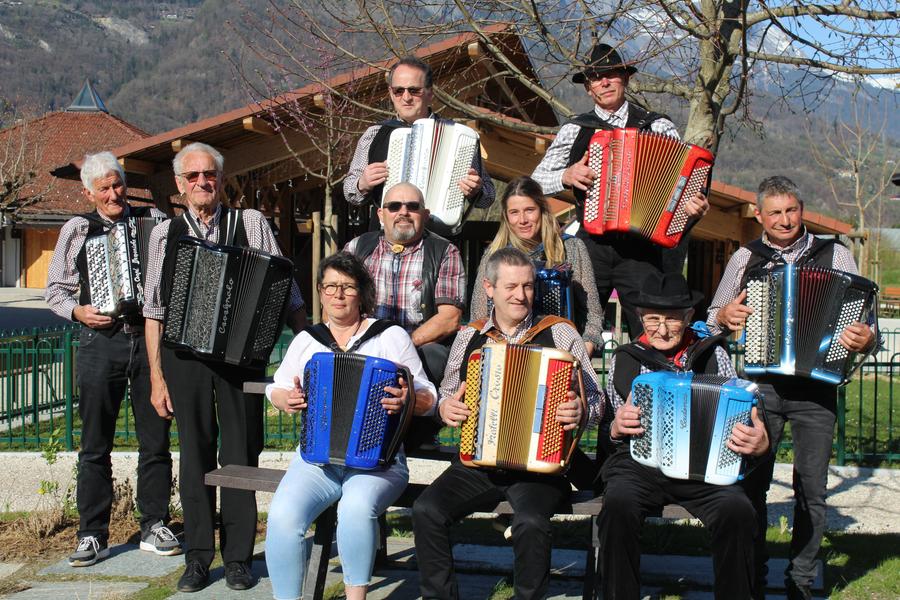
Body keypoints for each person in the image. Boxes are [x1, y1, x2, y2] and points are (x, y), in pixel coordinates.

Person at [142, 142, 307, 593]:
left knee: (241, 454)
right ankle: (198, 558)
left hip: (241, 358)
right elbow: (154, 310)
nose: (201, 182)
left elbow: (285, 282)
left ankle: (238, 558)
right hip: (184, 359)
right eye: (192, 176)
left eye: (208, 175)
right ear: (180, 185)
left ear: (220, 179)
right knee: (194, 454)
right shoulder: (164, 234)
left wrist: (307, 339)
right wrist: (157, 378)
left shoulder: (250, 222)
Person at [706, 175, 876, 600]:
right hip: (760, 388)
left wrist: (866, 338)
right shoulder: (746, 258)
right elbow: (712, 319)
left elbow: (867, 324)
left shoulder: (834, 254)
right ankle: (754, 575)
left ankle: (800, 582)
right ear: (760, 215)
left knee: (811, 491)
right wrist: (725, 314)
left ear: (801, 209)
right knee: (751, 485)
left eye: (791, 210)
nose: (784, 220)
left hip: (817, 389)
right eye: (775, 212)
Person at [412, 247, 602, 600]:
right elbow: (447, 395)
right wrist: (446, 410)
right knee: (426, 511)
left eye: (528, 287)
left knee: (530, 523)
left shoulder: (560, 334)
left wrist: (582, 412)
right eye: (511, 287)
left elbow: (596, 398)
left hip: (539, 465)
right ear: (489, 288)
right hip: (477, 460)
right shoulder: (469, 337)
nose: (521, 295)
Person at [264, 252, 436, 600]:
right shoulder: (308, 340)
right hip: (317, 461)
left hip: (379, 462)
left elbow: (429, 396)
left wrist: (408, 401)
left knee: (355, 507)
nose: (338, 295)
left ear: (362, 293)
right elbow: (277, 387)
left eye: (347, 287)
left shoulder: (390, 336)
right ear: (320, 291)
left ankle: (356, 596)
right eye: (330, 287)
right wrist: (286, 399)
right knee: (282, 517)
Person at [598, 271, 770, 600]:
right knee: (617, 506)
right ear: (639, 317)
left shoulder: (712, 354)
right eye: (653, 319)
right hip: (639, 467)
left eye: (673, 320)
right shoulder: (625, 359)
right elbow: (608, 429)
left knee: (738, 511)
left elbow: (741, 411)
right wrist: (615, 428)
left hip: (703, 470)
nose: (662, 329)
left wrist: (758, 440)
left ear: (689, 317)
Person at [45, 151, 180, 567]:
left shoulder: (155, 221)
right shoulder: (77, 229)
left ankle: (154, 523)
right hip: (99, 344)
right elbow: (55, 290)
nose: (112, 193)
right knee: (94, 443)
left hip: (149, 339)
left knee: (155, 439)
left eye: (117, 183)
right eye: (102, 187)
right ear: (88, 191)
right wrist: (79, 311)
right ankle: (92, 534)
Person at [531, 42, 709, 335]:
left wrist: (692, 206)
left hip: (642, 248)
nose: (605, 82)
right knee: (577, 325)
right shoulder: (576, 129)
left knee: (650, 328)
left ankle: (645, 381)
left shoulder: (657, 126)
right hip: (591, 245)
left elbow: (686, 180)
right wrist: (566, 175)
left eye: (611, 74)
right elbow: (535, 181)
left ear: (625, 79)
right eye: (596, 78)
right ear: (589, 89)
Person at [345, 182, 465, 418]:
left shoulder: (444, 252)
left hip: (417, 351)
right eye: (394, 206)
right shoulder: (357, 248)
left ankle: (420, 424)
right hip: (362, 348)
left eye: (412, 206)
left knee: (432, 355)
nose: (403, 212)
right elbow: (336, 303)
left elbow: (449, 318)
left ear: (425, 214)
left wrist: (401, 344)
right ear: (381, 214)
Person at [343, 55, 495, 230]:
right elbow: (349, 191)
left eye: (414, 90)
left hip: (436, 237)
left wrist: (476, 190)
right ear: (391, 93)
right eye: (398, 91)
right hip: (384, 237)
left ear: (430, 94)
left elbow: (489, 196)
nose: (406, 97)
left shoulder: (459, 137)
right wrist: (362, 183)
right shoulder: (373, 134)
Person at [470, 175, 604, 356]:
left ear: (542, 210)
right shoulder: (494, 255)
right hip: (505, 354)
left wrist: (580, 353)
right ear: (506, 216)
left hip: (562, 352)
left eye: (529, 210)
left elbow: (593, 315)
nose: (522, 219)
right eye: (514, 212)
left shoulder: (571, 248)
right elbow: (479, 317)